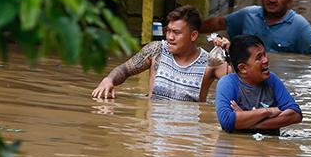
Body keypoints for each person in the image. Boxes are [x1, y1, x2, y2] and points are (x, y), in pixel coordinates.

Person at [92, 5, 230, 102]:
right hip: (155, 137)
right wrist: (109, 80)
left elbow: (242, 85)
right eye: (168, 31)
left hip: (186, 139)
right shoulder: (156, 50)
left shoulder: (211, 62)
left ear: (193, 36)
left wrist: (230, 54)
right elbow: (125, 69)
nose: (169, 37)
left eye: (176, 33)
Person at [200, 0, 311, 55]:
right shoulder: (248, 15)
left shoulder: (299, 26)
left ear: (289, 0)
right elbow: (219, 23)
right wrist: (191, 30)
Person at [215, 35, 302, 133]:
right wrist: (268, 111)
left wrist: (248, 123)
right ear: (243, 68)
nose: (266, 60)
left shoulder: (272, 79)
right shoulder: (228, 83)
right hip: (240, 147)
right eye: (259, 57)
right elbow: (227, 122)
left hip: (269, 147)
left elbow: (295, 114)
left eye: (265, 54)